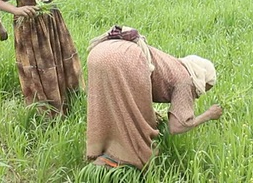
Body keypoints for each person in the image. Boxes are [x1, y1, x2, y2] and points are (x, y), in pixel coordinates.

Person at [85, 25, 223, 170]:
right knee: (140, 139)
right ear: (201, 79)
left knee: (108, 106)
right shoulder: (187, 80)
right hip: (124, 58)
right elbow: (177, 126)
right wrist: (208, 115)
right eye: (204, 90)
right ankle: (125, 163)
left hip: (99, 52)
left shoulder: (172, 65)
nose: (198, 95)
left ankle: (101, 151)